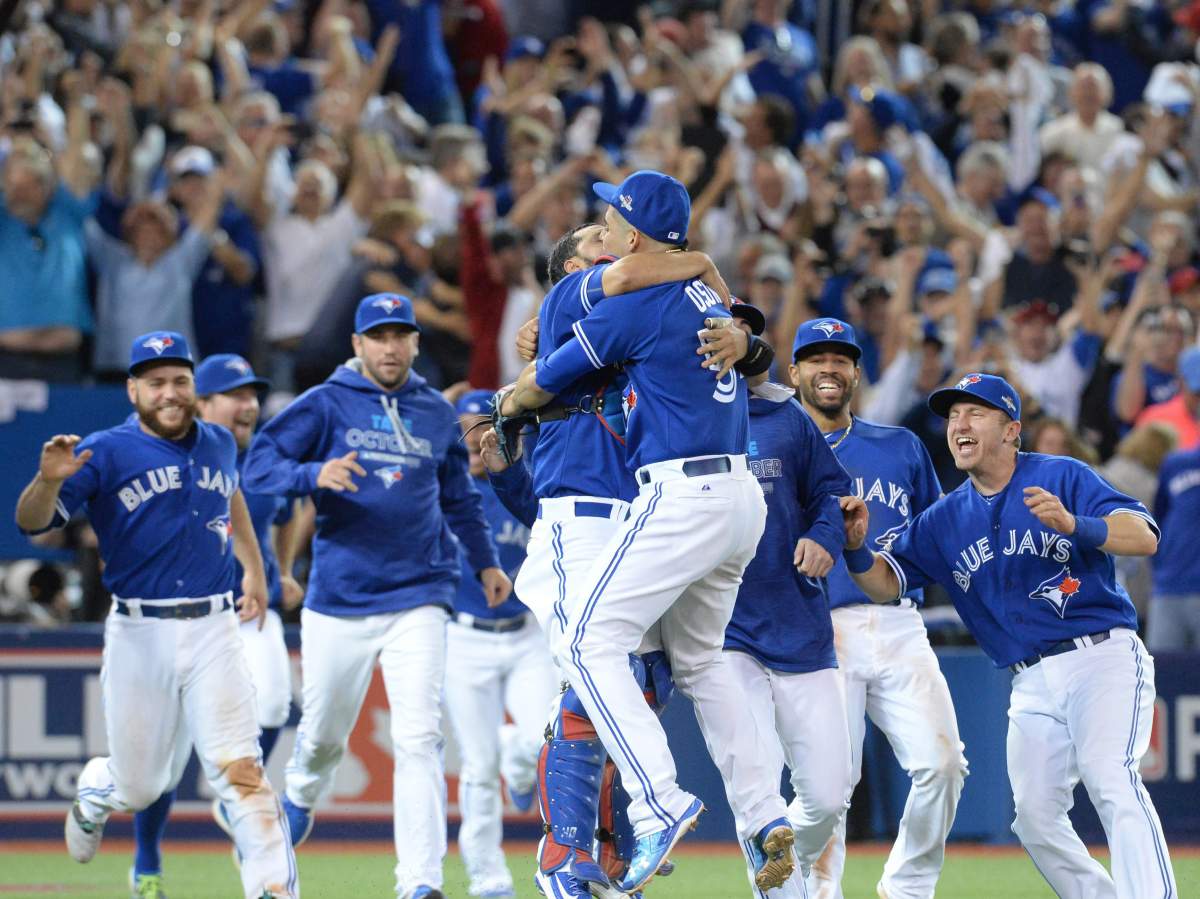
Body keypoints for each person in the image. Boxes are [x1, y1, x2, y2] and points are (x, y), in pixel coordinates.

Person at [499, 170, 793, 895]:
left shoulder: (630, 295)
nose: (601, 236)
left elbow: (545, 382)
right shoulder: (694, 290)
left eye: (609, 224)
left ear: (630, 239)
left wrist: (509, 399)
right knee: (699, 661)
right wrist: (708, 269)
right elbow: (741, 332)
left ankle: (656, 799)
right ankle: (763, 815)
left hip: (682, 492)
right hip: (737, 493)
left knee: (584, 641)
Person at [842, 372, 1178, 898]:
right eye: (952, 416)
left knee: (1112, 780)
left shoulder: (1061, 475)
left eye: (975, 413)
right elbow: (885, 583)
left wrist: (1076, 525)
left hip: (1102, 657)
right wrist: (856, 549)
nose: (959, 425)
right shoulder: (945, 518)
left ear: (1011, 429)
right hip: (1030, 680)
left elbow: (1145, 535)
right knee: (1036, 820)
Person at [242, 295, 510, 899]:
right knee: (322, 738)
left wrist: (487, 563)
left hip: (420, 593)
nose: (390, 346)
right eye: (378, 336)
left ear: (415, 343)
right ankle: (302, 793)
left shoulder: (435, 414)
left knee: (419, 737)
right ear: (357, 346)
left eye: (400, 336)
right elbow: (259, 467)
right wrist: (314, 476)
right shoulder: (325, 403)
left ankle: (419, 883)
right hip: (340, 598)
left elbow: (459, 500)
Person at [13, 331, 297, 899]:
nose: (170, 393)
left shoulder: (217, 440)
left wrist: (255, 568)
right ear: (133, 388)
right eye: (156, 382)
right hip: (140, 630)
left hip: (216, 626)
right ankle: (99, 786)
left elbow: (232, 494)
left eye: (180, 381)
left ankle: (274, 890)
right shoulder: (106, 449)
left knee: (243, 773)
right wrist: (46, 481)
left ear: (193, 387)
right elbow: (31, 522)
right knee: (141, 788)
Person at [788, 318, 965, 899]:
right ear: (794, 372)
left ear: (858, 373)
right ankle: (803, 888)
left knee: (943, 766)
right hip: (815, 629)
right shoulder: (771, 449)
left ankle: (907, 888)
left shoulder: (901, 445)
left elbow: (934, 538)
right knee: (828, 787)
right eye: (816, 358)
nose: (830, 368)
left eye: (841, 359)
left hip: (896, 622)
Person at [127, 353, 304, 897]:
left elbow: (295, 507)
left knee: (275, 703)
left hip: (251, 612)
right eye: (235, 393)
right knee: (163, 756)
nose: (248, 404)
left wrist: (284, 565)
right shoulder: (176, 455)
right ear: (202, 403)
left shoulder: (265, 455)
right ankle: (148, 861)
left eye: (252, 394)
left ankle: (234, 799)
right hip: (186, 617)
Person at [721, 320, 856, 898]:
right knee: (754, 785)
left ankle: (781, 860)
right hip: (722, 633)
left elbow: (832, 492)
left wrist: (826, 536)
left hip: (799, 622)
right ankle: (781, 889)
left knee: (829, 793)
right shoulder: (683, 414)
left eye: (746, 331)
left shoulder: (789, 417)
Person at [443, 388, 558, 899]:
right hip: (462, 638)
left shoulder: (524, 485)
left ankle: (517, 754)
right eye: (465, 428)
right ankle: (487, 877)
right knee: (477, 765)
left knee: (542, 740)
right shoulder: (442, 493)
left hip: (526, 633)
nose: (476, 437)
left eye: (484, 426)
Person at [1148, 443, 1200, 650]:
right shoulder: (1176, 463)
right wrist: (1161, 566)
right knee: (1162, 674)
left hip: (1173, 586)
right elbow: (1157, 517)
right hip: (1170, 586)